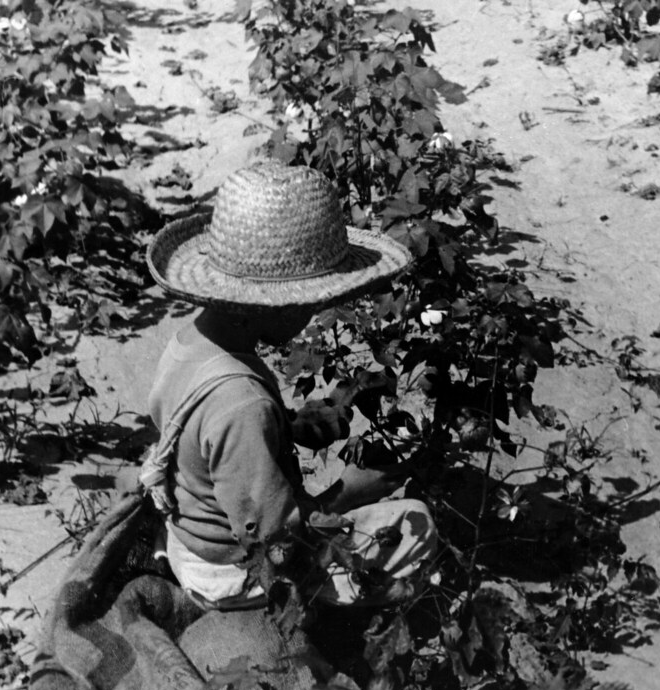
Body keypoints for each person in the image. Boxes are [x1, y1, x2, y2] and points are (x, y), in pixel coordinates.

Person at [142, 160, 438, 610]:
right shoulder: (242, 404)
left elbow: (204, 440)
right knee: (416, 524)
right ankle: (335, 626)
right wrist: (349, 492)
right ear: (267, 305)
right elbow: (272, 536)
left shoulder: (189, 344)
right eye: (307, 304)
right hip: (232, 571)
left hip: (191, 536)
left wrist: (288, 424)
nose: (311, 316)